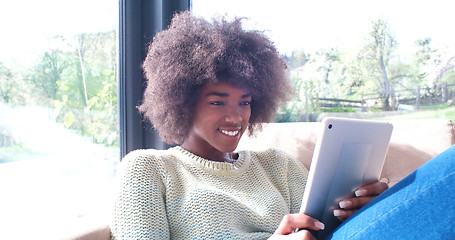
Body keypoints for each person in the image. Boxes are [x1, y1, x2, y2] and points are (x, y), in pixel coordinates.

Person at [111, 11, 455, 240]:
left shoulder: (276, 164)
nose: (236, 117)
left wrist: (366, 208)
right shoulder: (148, 169)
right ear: (181, 101)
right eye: (218, 101)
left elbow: (324, 230)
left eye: (244, 102)